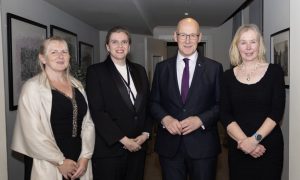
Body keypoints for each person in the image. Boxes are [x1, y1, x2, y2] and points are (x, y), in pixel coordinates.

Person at [11, 36, 95, 180]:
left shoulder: (77, 85)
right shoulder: (32, 88)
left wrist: (86, 156)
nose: (61, 56)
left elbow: (88, 123)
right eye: (54, 52)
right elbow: (32, 133)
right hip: (47, 160)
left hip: (78, 158)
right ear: (43, 58)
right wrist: (60, 161)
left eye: (64, 51)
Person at [150, 17, 223, 180]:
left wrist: (200, 120)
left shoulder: (214, 68)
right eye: (183, 35)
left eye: (192, 35)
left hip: (204, 147)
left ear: (199, 37)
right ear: (175, 37)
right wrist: (165, 119)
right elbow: (153, 102)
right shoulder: (161, 68)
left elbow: (220, 105)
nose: (188, 40)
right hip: (169, 147)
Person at [220, 24, 286, 180]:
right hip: (239, 146)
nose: (248, 47)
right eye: (243, 42)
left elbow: (276, 111)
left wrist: (254, 141)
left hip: (268, 146)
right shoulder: (227, 77)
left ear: (259, 44)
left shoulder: (275, 72)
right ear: (237, 46)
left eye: (253, 42)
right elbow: (224, 113)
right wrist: (245, 143)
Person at [86, 26, 151, 180]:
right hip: (111, 149)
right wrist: (123, 140)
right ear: (107, 46)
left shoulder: (140, 70)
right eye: (114, 42)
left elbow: (148, 104)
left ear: (129, 46)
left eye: (124, 42)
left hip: (138, 146)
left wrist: (146, 133)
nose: (120, 46)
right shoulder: (96, 72)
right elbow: (97, 111)